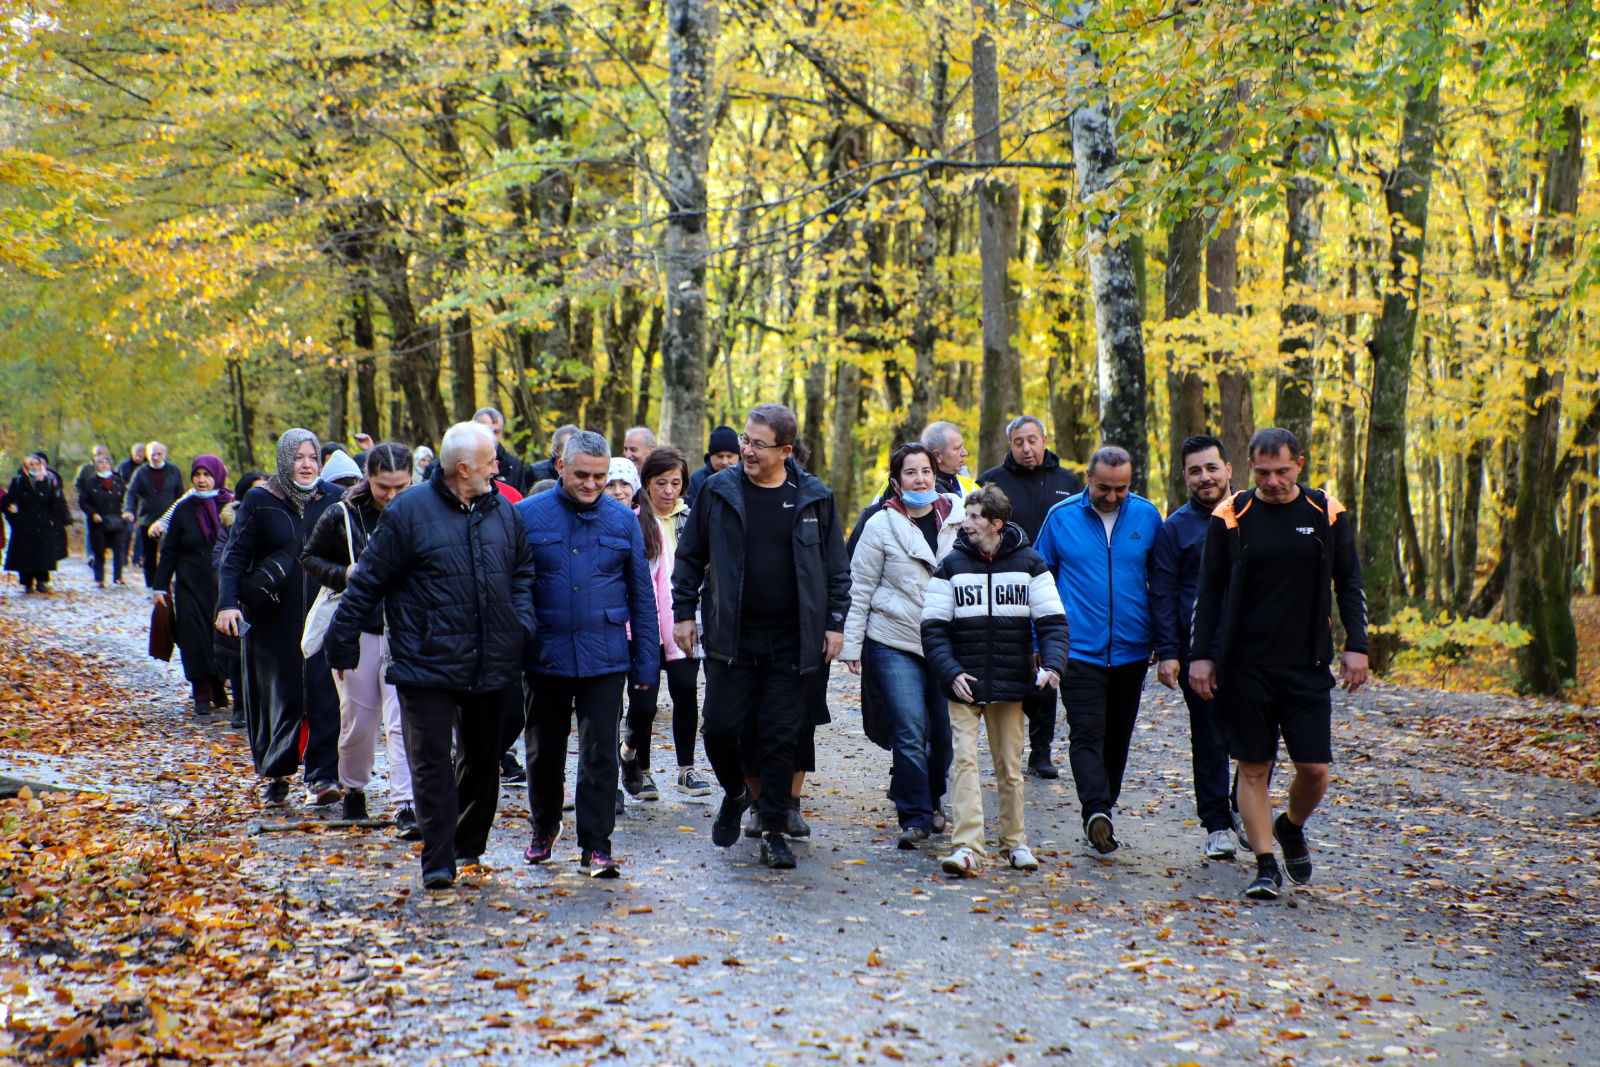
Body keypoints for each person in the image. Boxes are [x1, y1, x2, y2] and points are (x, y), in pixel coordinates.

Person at [325, 422, 535, 890]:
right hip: (426, 660)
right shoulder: (408, 513)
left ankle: (468, 846)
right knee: (431, 761)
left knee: (483, 757)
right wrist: (342, 640)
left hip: (491, 656)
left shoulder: (503, 510)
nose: (498, 468)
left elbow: (523, 572)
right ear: (463, 469)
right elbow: (369, 581)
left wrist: (522, 623)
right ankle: (437, 859)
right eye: (490, 462)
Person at [1188, 427, 1369, 900]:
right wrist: (1200, 656)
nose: (1273, 482)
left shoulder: (1325, 512)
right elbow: (1208, 592)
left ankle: (1289, 826)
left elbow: (1348, 580)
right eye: (1263, 473)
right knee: (1253, 767)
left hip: (1306, 663)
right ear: (1249, 469)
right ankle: (1265, 866)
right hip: (1246, 665)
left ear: (1300, 465)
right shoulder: (1231, 515)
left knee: (1314, 770)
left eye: (1282, 472)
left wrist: (1358, 643)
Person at [672, 404, 851, 870]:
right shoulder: (718, 491)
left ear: (786, 450)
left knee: (779, 735)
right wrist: (684, 613)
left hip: (794, 639)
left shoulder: (815, 497)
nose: (745, 451)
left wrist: (834, 624)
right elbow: (690, 557)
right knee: (720, 727)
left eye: (756, 444)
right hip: (733, 636)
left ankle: (773, 829)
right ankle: (735, 794)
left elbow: (837, 570)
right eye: (745, 441)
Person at [519, 431, 658, 879]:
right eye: (582, 474)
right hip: (545, 654)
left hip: (605, 654)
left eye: (601, 476)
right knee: (544, 752)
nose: (592, 484)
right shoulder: (525, 516)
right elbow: (511, 592)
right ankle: (544, 827)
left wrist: (646, 666)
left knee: (600, 753)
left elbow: (642, 597)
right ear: (560, 466)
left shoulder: (623, 521)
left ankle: (596, 845)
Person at [920, 485, 1069, 875]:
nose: (964, 524)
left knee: (1009, 766)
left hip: (1010, 682)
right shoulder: (950, 565)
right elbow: (932, 628)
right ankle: (967, 847)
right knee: (965, 762)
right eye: (964, 516)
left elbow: (1053, 623)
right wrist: (950, 672)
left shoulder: (1031, 564)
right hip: (963, 683)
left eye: (973, 517)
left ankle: (1014, 843)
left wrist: (1053, 666)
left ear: (996, 524)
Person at [1033, 445, 1162, 855]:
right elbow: (1038, 579)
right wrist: (1040, 642)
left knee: (1118, 735)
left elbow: (1161, 581)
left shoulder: (1147, 515)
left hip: (1132, 649)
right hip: (1078, 650)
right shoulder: (1061, 518)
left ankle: (1103, 806)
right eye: (1104, 487)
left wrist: (1162, 636)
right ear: (1087, 477)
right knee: (1087, 730)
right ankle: (1095, 811)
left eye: (1121, 489)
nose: (1111, 497)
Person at [216, 429, 344, 808]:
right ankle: (276, 772)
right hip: (274, 618)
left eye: (312, 458)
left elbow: (348, 553)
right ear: (284, 461)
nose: (306, 465)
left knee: (324, 694)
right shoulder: (259, 500)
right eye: (298, 458)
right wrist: (227, 603)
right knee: (280, 695)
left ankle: (322, 777)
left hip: (322, 616)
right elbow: (235, 557)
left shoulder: (334, 499)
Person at [841, 443, 961, 848]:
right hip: (893, 640)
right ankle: (915, 816)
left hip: (946, 643)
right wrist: (852, 645)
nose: (920, 479)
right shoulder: (879, 524)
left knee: (943, 735)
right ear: (896, 481)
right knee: (910, 730)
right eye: (910, 473)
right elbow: (859, 589)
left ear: (936, 474)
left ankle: (932, 795)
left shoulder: (958, 520)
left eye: (926, 471)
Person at [301, 443, 419, 837]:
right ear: (368, 478)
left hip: (407, 631)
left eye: (401, 487)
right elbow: (310, 558)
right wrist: (347, 573)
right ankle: (354, 788)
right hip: (359, 630)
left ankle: (406, 804)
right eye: (384, 486)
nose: (392, 496)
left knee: (403, 720)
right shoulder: (342, 514)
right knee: (359, 721)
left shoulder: (423, 511)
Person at [1152, 434, 1244, 860]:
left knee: (1255, 735)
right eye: (1195, 471)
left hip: (1256, 651)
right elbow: (1165, 593)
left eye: (1211, 468)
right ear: (1185, 476)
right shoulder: (1175, 529)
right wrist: (1170, 653)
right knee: (1208, 738)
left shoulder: (1254, 515)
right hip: (1200, 653)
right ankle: (1218, 824)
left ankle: (1245, 803)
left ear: (1228, 469)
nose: (1205, 477)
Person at [975, 416, 1082, 776]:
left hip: (1051, 585)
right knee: (1009, 663)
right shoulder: (992, 482)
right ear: (1010, 444)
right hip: (1004, 584)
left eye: (1032, 440)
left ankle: (1041, 750)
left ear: (1045, 439)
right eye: (1019, 442)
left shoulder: (1067, 481)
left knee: (1046, 666)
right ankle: (1005, 749)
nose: (1027, 448)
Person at [622, 446, 711, 801]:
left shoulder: (691, 518)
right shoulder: (632, 518)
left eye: (676, 483)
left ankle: (685, 769)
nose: (669, 491)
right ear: (646, 483)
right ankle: (640, 769)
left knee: (685, 692)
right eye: (661, 483)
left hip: (683, 620)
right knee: (644, 701)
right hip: (642, 623)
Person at [151, 456, 233, 717]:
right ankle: (201, 693)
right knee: (193, 638)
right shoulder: (184, 508)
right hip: (189, 586)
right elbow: (169, 551)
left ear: (218, 476)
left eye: (207, 474)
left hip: (221, 586)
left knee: (220, 639)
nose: (201, 479)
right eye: (197, 474)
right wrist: (160, 587)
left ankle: (219, 686)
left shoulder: (230, 506)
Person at [215, 471, 268, 727]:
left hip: (268, 598)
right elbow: (222, 559)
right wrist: (230, 591)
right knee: (237, 655)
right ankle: (240, 706)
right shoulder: (231, 522)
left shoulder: (273, 518)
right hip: (240, 599)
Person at [4, 453, 70, 593]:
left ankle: (42, 581)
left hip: (43, 524)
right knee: (26, 555)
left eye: (37, 464)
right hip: (24, 526)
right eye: (31, 465)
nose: (34, 467)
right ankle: (28, 582)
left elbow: (54, 504)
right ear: (26, 467)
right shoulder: (18, 483)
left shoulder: (47, 482)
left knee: (43, 554)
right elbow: (7, 504)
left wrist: (52, 520)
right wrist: (14, 520)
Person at [123, 441, 182, 589]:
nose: (155, 457)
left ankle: (165, 583)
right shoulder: (141, 472)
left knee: (167, 553)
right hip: (147, 519)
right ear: (148, 456)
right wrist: (129, 510)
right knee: (148, 555)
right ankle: (151, 585)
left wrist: (183, 516)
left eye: (159, 454)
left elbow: (181, 496)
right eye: (152, 454)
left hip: (169, 520)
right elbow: (131, 493)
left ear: (164, 455)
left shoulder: (174, 471)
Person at [79, 452, 130, 587]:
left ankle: (119, 576)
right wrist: (93, 513)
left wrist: (127, 511)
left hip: (117, 520)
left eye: (106, 462)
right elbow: (83, 501)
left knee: (119, 548)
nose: (104, 465)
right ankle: (100, 578)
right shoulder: (91, 483)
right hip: (99, 521)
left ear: (110, 465)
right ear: (96, 466)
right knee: (99, 551)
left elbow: (126, 498)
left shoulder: (119, 481)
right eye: (100, 463)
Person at [475, 407, 528, 493]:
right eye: (487, 430)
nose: (491, 436)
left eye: (496, 432)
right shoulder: (465, 462)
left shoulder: (514, 466)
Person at [686, 425, 740, 507]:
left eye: (729, 456)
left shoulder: (749, 478)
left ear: (738, 456)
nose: (725, 462)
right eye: (720, 456)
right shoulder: (695, 482)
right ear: (710, 456)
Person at [921, 422, 977, 498]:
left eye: (963, 447)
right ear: (937, 456)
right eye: (957, 449)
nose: (965, 453)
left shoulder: (970, 485)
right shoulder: (922, 490)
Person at [118, 443, 148, 573]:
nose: (138, 457)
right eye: (136, 454)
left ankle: (138, 558)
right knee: (127, 531)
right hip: (127, 502)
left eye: (141, 455)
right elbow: (118, 483)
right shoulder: (124, 466)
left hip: (142, 503)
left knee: (141, 532)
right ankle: (123, 557)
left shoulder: (148, 467)